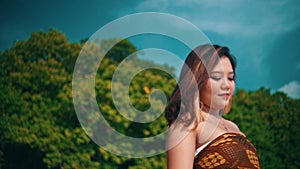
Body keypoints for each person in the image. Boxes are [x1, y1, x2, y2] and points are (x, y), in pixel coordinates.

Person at [165, 44, 261, 169]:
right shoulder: (186, 125)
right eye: (216, 77)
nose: (226, 85)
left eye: (231, 78)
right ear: (195, 81)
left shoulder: (233, 127)